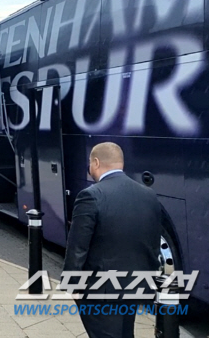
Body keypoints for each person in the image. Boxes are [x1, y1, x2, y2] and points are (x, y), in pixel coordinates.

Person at [64, 142, 161, 338]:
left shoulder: (90, 195)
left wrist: (72, 284)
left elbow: (78, 246)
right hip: (135, 286)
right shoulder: (148, 195)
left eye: (90, 163)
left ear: (96, 162)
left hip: (101, 291)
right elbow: (153, 239)